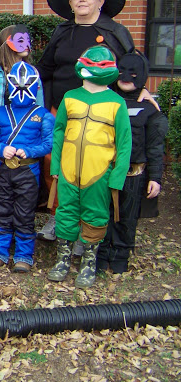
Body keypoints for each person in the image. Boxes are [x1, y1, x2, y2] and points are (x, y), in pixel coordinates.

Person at [37, 0, 138, 242]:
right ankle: (60, 217)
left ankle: (88, 224)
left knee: (92, 164)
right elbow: (45, 68)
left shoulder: (115, 33)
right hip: (62, 108)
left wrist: (140, 89)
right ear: (69, 3)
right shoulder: (62, 31)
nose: (81, 0)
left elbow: (132, 67)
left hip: (99, 112)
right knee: (54, 162)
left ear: (100, 1)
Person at [47, 45, 131, 288]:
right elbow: (59, 132)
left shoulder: (116, 103)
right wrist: (55, 165)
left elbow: (125, 143)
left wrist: (117, 177)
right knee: (66, 213)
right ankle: (63, 260)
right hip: (67, 171)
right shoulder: (70, 97)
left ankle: (88, 263)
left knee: (95, 216)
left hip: (99, 174)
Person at [97, 52, 168, 275]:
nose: (126, 76)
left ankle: (120, 257)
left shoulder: (150, 111)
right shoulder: (105, 102)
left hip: (133, 175)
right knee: (101, 213)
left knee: (127, 217)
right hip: (104, 170)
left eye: (133, 73)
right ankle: (99, 256)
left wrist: (155, 178)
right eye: (122, 71)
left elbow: (155, 148)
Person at [0, 62, 54, 273]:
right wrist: (1, 148)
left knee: (25, 212)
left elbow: (49, 143)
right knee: (2, 210)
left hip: (29, 171)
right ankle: (0, 252)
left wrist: (30, 151)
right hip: (5, 168)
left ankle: (24, 254)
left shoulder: (43, 115)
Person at [0, 25, 44, 242]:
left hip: (27, 144)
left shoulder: (33, 74)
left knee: (25, 187)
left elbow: (39, 109)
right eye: (20, 39)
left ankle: (19, 226)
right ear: (8, 43)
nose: (27, 44)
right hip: (3, 144)